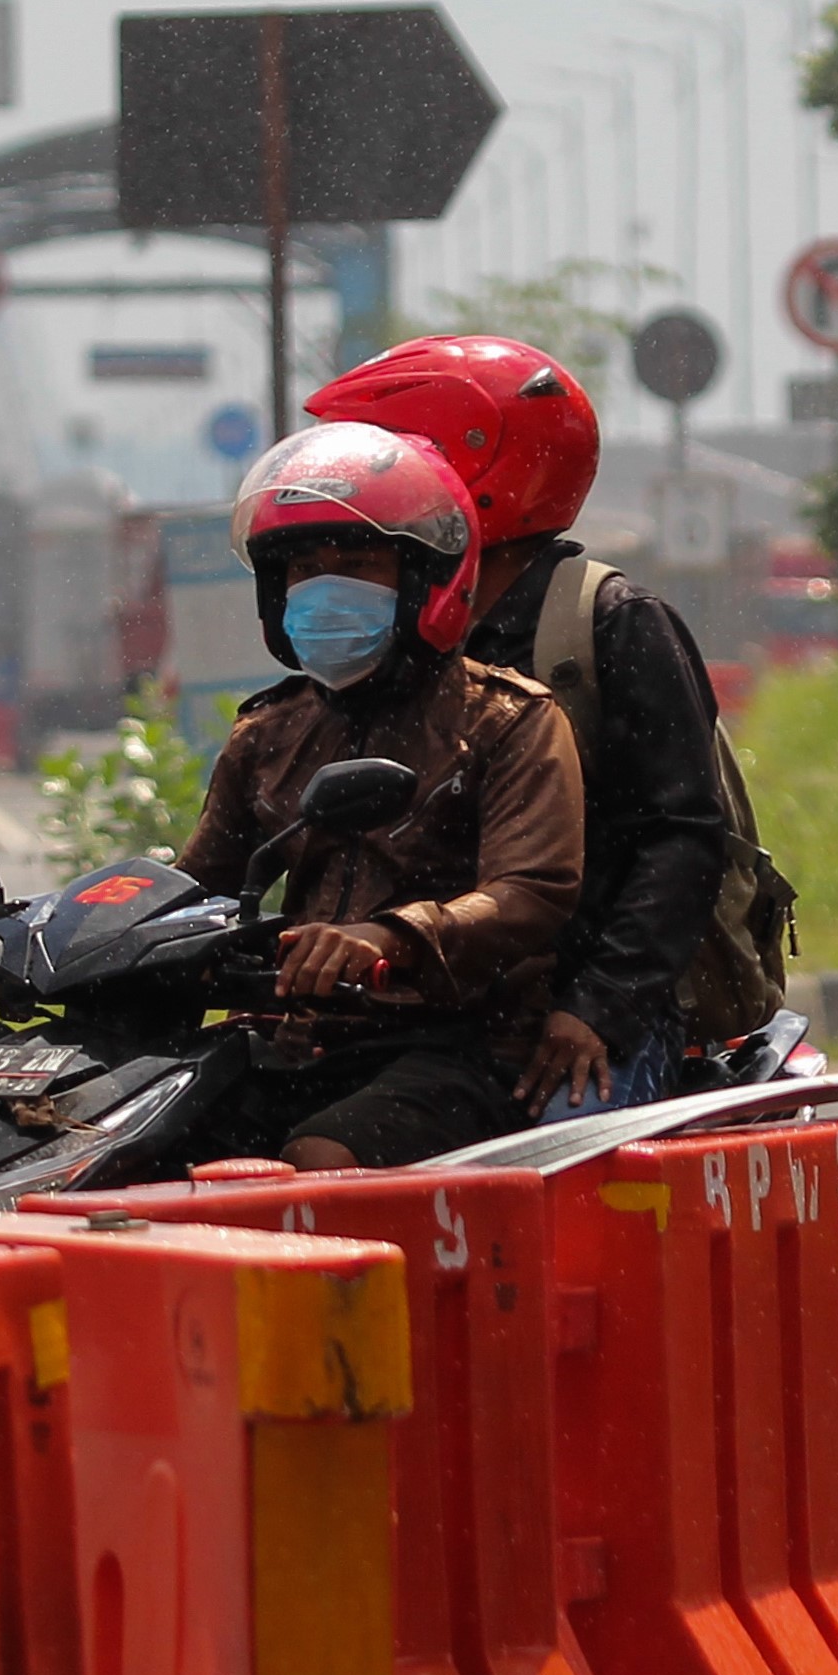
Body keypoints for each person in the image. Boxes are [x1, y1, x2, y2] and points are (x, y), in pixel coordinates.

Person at [306, 335, 732, 1117]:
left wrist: (597, 1009)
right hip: (423, 1010)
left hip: (579, 1016)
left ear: (474, 466)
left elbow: (681, 840)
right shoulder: (396, 630)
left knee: (551, 1192)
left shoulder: (607, 625)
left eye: (400, 463)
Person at [170, 420, 585, 1170]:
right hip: (293, 1042)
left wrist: (387, 938)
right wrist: (46, 931)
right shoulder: (268, 734)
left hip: (458, 1045)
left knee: (322, 1156)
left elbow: (530, 890)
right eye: (302, 569)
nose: (324, 588)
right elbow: (193, 888)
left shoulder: (508, 720)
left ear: (428, 581)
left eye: (358, 564)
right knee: (143, 1139)